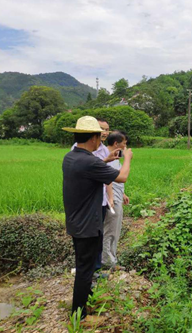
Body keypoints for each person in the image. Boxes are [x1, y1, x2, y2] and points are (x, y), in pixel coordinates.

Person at [62, 116, 133, 320]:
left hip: (76, 222)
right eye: (99, 138)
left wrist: (105, 161)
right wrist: (126, 158)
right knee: (85, 270)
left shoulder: (72, 157)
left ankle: (85, 300)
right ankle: (79, 314)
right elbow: (122, 177)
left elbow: (89, 171)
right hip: (88, 224)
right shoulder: (90, 162)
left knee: (86, 264)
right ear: (93, 138)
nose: (101, 141)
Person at [72, 118, 110, 276]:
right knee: (85, 238)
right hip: (85, 202)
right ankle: (85, 271)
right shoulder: (76, 151)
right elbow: (86, 169)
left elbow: (107, 176)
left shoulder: (104, 150)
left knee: (98, 236)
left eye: (107, 129)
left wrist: (111, 197)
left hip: (100, 200)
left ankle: (95, 268)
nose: (104, 133)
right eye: (101, 129)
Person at [102, 131, 130, 270]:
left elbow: (116, 178)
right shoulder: (106, 156)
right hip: (112, 201)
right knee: (110, 231)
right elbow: (107, 180)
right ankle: (108, 262)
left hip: (117, 198)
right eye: (124, 143)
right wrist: (111, 198)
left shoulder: (114, 157)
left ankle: (111, 259)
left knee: (115, 230)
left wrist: (123, 193)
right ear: (116, 143)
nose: (125, 147)